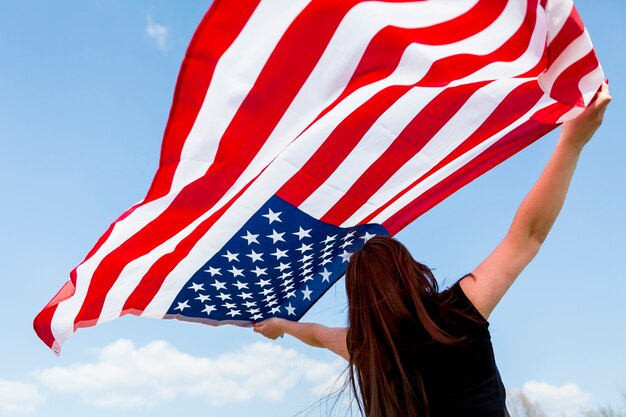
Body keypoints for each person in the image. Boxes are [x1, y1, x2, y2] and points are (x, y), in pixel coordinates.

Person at [252, 81, 612, 417]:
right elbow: (527, 236)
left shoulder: (370, 351)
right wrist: (572, 142)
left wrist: (281, 325)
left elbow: (316, 334)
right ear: (409, 272)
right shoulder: (456, 314)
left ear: (359, 300)